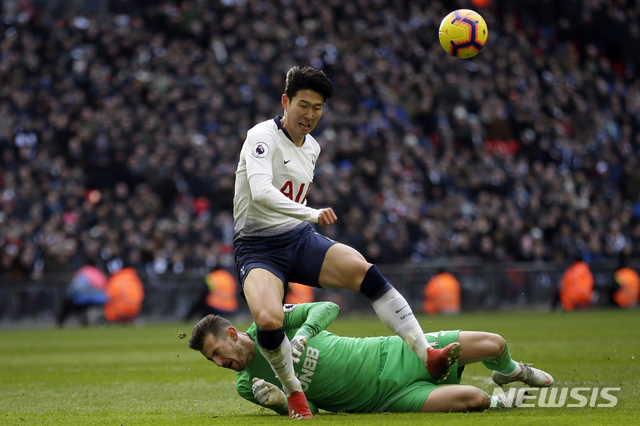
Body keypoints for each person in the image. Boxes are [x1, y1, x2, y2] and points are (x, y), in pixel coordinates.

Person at [232, 65, 459, 418]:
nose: (309, 115)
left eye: (317, 108)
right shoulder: (260, 136)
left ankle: (425, 352)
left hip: (298, 238)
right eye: (303, 105)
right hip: (258, 246)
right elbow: (261, 193)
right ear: (285, 101)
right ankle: (294, 395)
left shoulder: (312, 148)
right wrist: (309, 212)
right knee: (267, 318)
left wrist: (304, 220)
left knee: (364, 271)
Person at [188, 302, 554, 416]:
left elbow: (328, 306)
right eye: (212, 361)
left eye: (218, 353)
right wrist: (282, 402)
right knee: (474, 400)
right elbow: (308, 410)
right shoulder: (246, 385)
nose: (220, 364)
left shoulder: (270, 323)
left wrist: (302, 333)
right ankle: (500, 402)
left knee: (493, 343)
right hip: (385, 400)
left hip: (390, 352)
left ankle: (510, 372)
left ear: (233, 335)